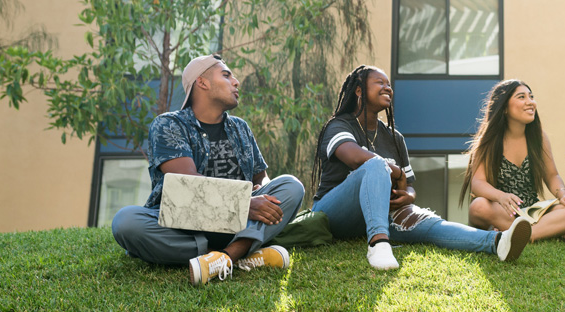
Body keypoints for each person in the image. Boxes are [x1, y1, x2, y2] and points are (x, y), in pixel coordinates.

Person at [310, 66, 531, 270]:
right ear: (358, 90)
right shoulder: (339, 125)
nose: (388, 87)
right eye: (380, 83)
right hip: (334, 213)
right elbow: (355, 158)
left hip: (380, 213)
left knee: (432, 223)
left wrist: (408, 197)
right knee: (375, 164)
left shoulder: (394, 137)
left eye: (389, 84)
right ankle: (379, 245)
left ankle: (497, 242)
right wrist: (395, 172)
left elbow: (410, 187)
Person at [111, 54, 305, 286]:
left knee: (291, 186)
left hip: (238, 225)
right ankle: (244, 255)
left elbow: (261, 177)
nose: (236, 81)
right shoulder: (169, 125)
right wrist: (245, 204)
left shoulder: (240, 128)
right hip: (184, 225)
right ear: (202, 82)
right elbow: (187, 187)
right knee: (126, 222)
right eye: (226, 75)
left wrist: (262, 193)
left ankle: (225, 258)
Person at [461, 79, 565, 241]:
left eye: (531, 97)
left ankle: (528, 234)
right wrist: (501, 196)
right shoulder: (489, 140)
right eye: (521, 97)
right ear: (504, 107)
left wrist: (563, 196)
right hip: (501, 210)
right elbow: (478, 183)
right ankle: (544, 232)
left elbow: (552, 175)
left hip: (534, 211)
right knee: (478, 206)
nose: (530, 102)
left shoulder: (539, 137)